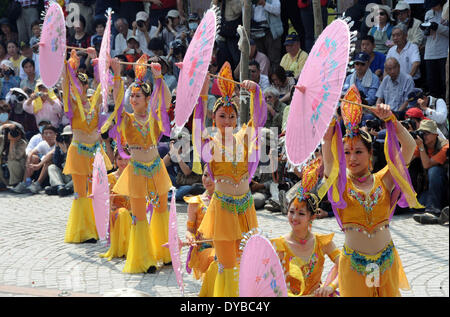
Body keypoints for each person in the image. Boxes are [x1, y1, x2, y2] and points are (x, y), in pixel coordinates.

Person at [321, 98, 422, 296]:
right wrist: (327, 136)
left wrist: (391, 119)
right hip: (354, 265)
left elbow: (409, 147)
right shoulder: (340, 184)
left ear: (370, 154)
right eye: (347, 152)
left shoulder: (384, 179)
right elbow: (329, 164)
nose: (352, 158)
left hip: (386, 261)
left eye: (359, 152)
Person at [194, 69, 267, 296]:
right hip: (223, 210)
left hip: (245, 208)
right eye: (222, 116)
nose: (227, 121)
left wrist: (255, 91)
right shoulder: (209, 143)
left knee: (246, 261)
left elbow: (260, 118)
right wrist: (204, 89)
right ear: (214, 118)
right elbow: (197, 123)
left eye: (232, 116)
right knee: (227, 264)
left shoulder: (244, 137)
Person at [105, 57, 172, 273]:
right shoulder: (126, 119)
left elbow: (167, 101)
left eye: (138, 96)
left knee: (161, 209)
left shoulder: (154, 116)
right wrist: (116, 74)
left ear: (147, 99)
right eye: (132, 96)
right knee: (140, 215)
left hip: (155, 167)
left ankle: (164, 252)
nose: (133, 99)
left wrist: (159, 75)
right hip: (136, 171)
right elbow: (116, 101)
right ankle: (144, 260)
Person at [62, 48, 112, 244]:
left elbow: (103, 84)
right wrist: (69, 66)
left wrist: (94, 59)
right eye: (78, 84)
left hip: (94, 152)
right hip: (78, 152)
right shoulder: (72, 106)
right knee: (80, 192)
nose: (82, 87)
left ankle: (96, 227)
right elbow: (66, 83)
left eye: (84, 84)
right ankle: (83, 231)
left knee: (95, 191)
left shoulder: (94, 103)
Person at [272, 159, 340, 296]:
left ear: (312, 217)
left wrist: (330, 287)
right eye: (291, 212)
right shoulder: (279, 246)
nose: (294, 218)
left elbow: (345, 265)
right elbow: (270, 280)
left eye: (301, 213)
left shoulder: (322, 243)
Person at [411, 119, 449, 224]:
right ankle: (442, 214)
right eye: (421, 133)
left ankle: (433, 212)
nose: (423, 136)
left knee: (434, 170)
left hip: (445, 186)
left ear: (435, 134)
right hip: (433, 189)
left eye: (426, 133)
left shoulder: (445, 146)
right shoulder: (421, 145)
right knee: (418, 205)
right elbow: (406, 161)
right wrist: (408, 141)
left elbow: (427, 165)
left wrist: (421, 147)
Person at [99, 148, 133, 261]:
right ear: (115, 160)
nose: (123, 162)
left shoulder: (135, 178)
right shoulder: (110, 178)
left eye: (126, 159)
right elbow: (106, 201)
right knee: (122, 213)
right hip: (116, 214)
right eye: (119, 159)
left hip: (133, 213)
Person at [184, 166, 215, 282]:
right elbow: (189, 230)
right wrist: (190, 238)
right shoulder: (195, 203)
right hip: (204, 249)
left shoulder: (227, 202)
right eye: (205, 175)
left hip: (223, 246)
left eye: (212, 177)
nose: (207, 180)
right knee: (215, 258)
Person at [12, 124, 57, 194]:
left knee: (48, 161)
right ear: (42, 136)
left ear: (56, 135)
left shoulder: (58, 144)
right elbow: (31, 152)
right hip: (42, 170)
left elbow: (50, 154)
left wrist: (39, 165)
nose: (48, 135)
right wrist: (28, 161)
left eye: (50, 133)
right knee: (33, 157)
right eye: (46, 133)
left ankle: (37, 184)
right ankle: (25, 183)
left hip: (53, 170)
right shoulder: (43, 143)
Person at [422, 0, 449, 99]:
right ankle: (434, 108)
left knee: (445, 83)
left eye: (434, 5)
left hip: (444, 52)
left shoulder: (447, 12)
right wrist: (424, 30)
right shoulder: (428, 13)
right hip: (430, 53)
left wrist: (438, 27)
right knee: (432, 84)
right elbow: (424, 36)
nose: (432, 7)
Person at [250, 0, 283, 66]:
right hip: (255, 34)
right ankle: (262, 76)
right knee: (260, 61)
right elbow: (244, 13)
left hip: (270, 32)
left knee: (274, 59)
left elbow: (277, 11)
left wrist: (264, 3)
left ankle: (274, 76)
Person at [44, 125, 73, 197]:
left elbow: (74, 166)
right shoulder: (63, 145)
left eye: (70, 136)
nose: (68, 139)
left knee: (83, 178)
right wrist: (57, 147)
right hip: (65, 175)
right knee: (52, 167)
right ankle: (59, 186)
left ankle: (65, 188)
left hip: (75, 177)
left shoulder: (79, 147)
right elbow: (56, 163)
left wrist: (66, 153)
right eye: (66, 136)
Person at [0, 119, 27, 189]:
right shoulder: (3, 139)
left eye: (17, 132)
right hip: (5, 166)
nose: (14, 134)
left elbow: (14, 157)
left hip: (19, 167)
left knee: (12, 162)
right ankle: (2, 183)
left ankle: (15, 183)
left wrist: (12, 142)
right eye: (11, 132)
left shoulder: (22, 143)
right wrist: (2, 127)